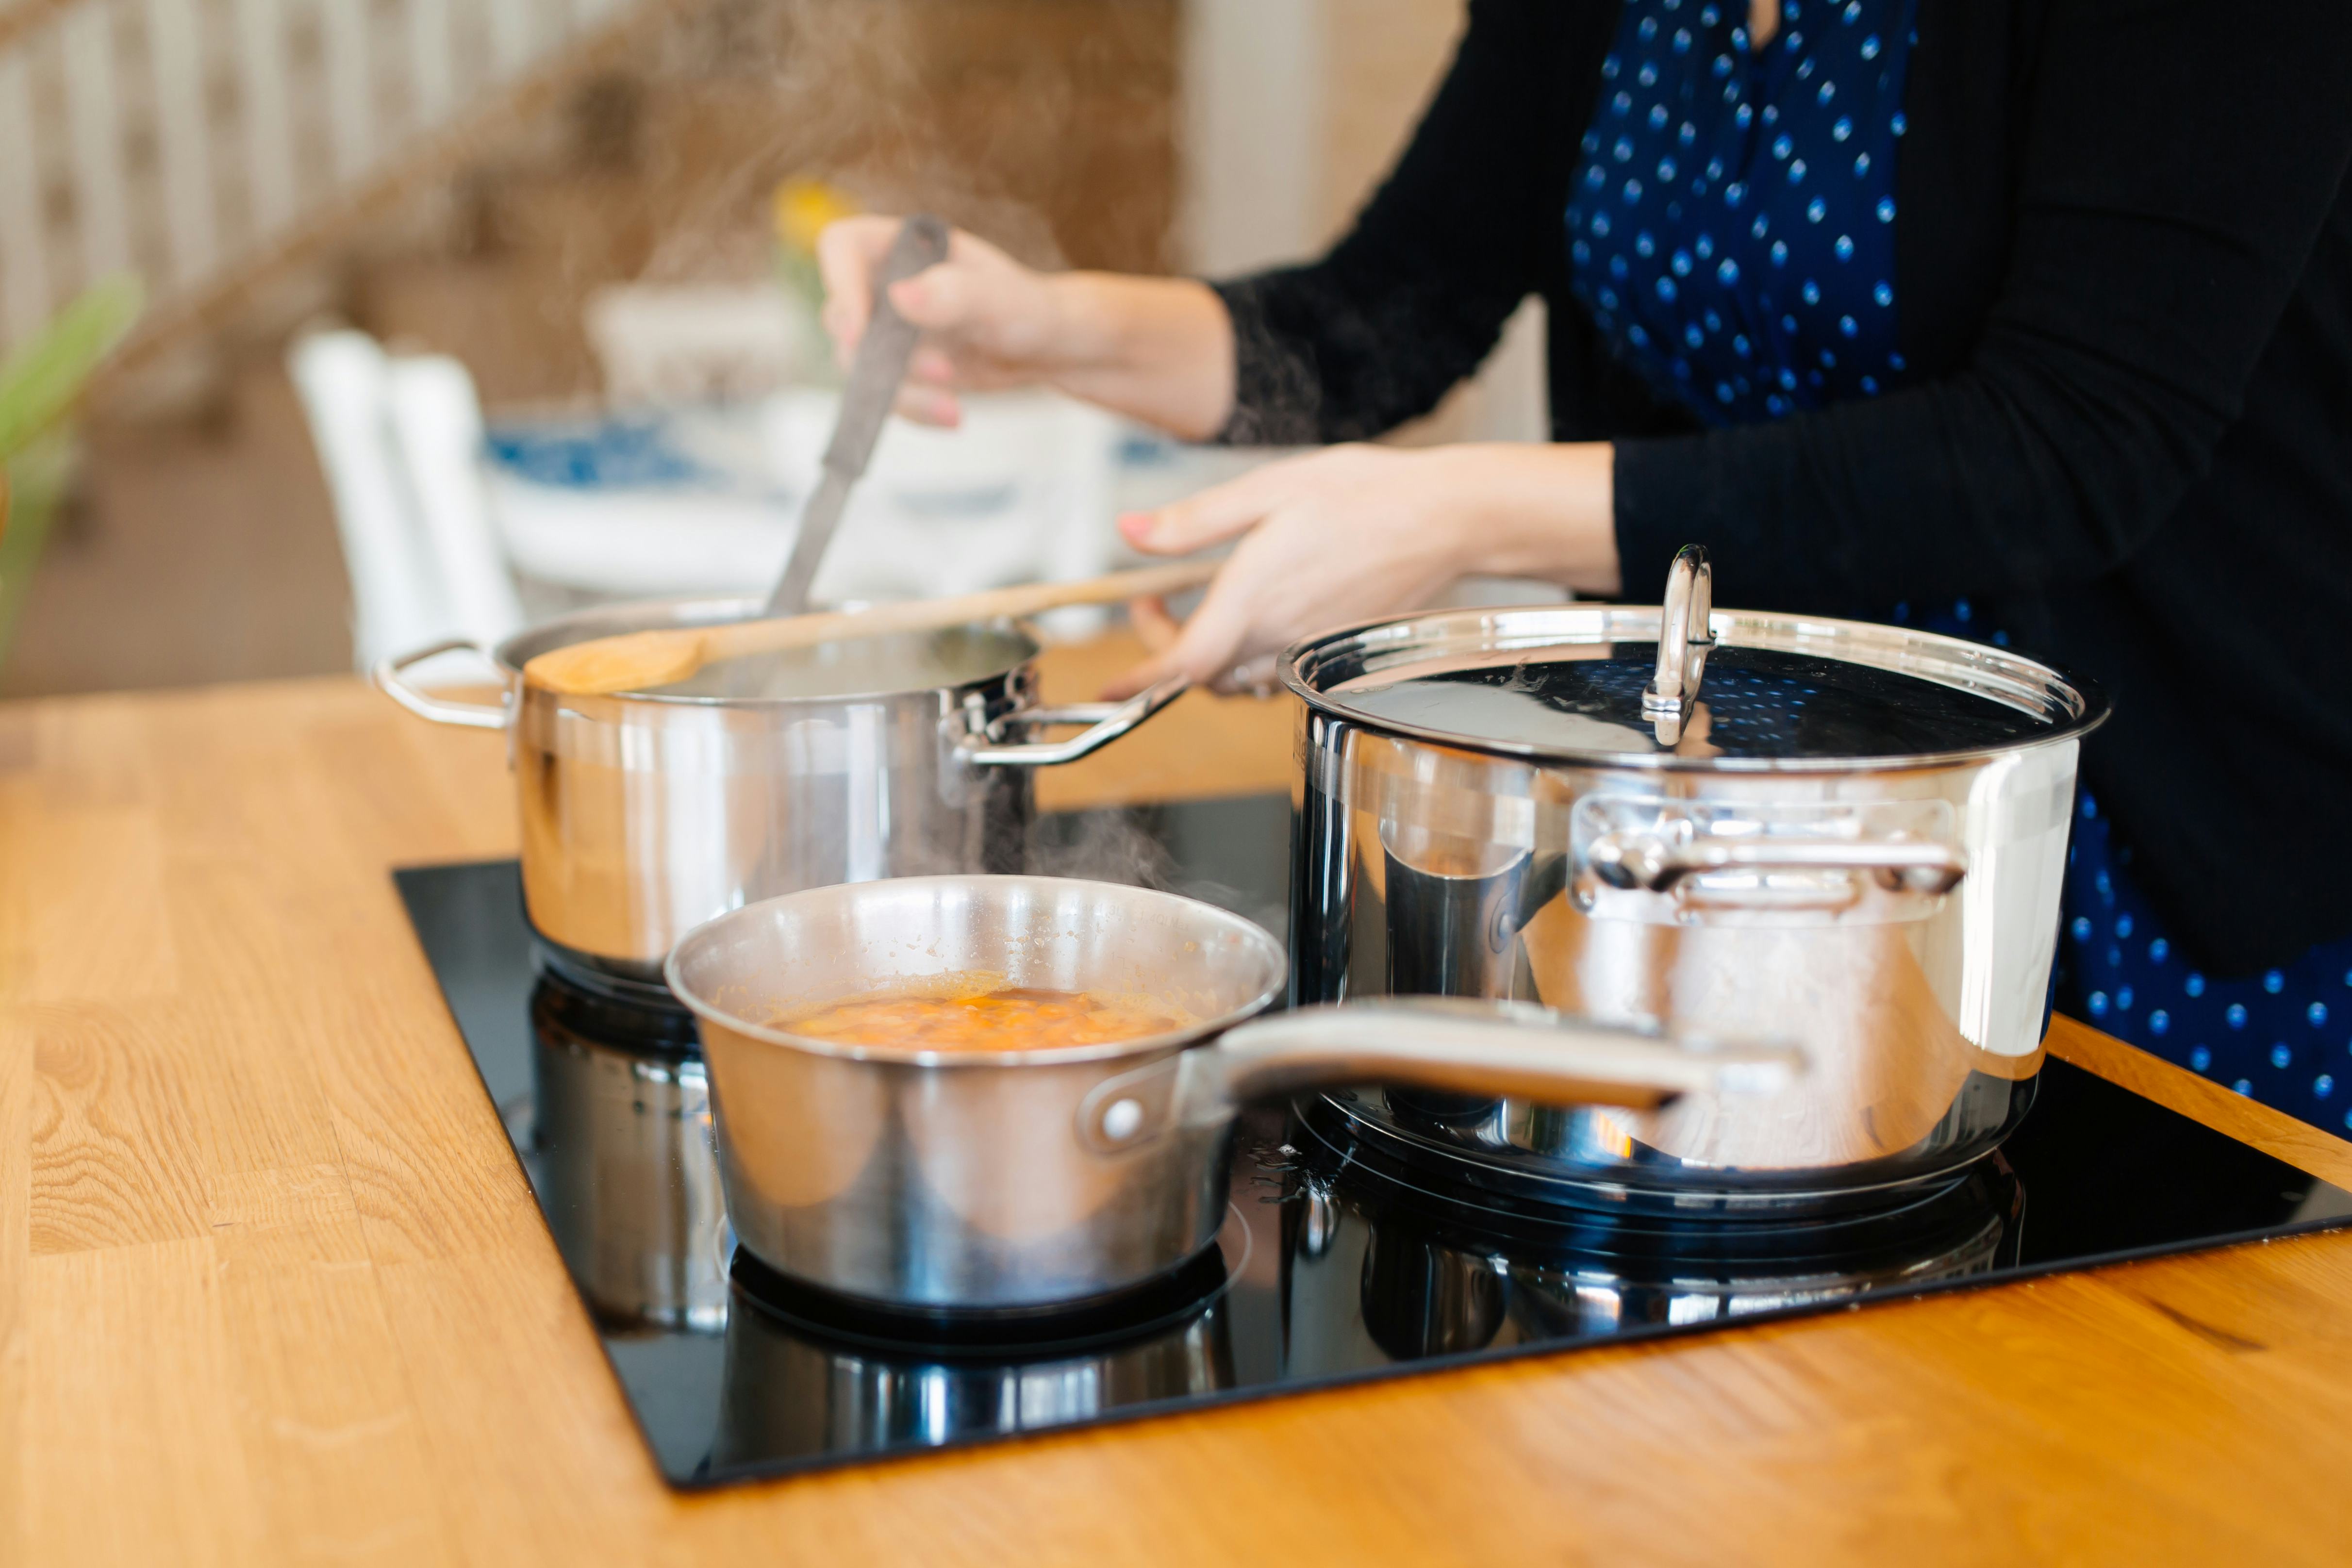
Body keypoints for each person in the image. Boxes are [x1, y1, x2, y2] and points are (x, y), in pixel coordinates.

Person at [816, 0, 2352, 1126]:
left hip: (2141, 853)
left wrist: (1463, 516)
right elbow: (1394, 303)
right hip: (1748, 841)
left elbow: (2070, 444)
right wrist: (1045, 323)